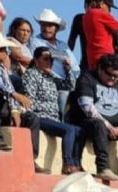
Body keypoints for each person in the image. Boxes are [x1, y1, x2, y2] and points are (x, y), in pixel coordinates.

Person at [70, 54, 118, 181]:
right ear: (100, 68)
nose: (112, 78)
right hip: (90, 121)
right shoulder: (87, 78)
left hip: (117, 124)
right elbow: (87, 107)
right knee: (98, 125)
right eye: (109, 74)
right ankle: (103, 168)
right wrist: (109, 127)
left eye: (116, 76)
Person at [0, 31, 47, 172]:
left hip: (2, 110)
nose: (7, 53)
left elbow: (9, 88)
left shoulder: (2, 70)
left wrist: (14, 110)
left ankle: (31, 158)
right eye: (4, 50)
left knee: (31, 118)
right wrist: (13, 94)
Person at [22, 46, 83, 174]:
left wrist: (67, 68)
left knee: (79, 131)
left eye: (51, 60)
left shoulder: (50, 77)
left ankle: (77, 164)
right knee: (69, 129)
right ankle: (68, 164)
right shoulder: (31, 74)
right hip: (40, 116)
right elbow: (29, 101)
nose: (49, 62)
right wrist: (48, 107)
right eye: (45, 59)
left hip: (53, 118)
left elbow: (70, 85)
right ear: (36, 60)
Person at [29, 8, 80, 115]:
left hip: (66, 81)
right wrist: (61, 58)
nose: (46, 28)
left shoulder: (63, 45)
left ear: (56, 29)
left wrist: (68, 68)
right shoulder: (35, 41)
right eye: (43, 25)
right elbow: (41, 58)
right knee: (63, 95)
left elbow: (75, 66)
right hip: (47, 80)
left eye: (49, 26)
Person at [82, 0, 118, 71]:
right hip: (106, 56)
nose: (110, 10)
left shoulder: (85, 16)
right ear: (101, 3)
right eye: (109, 6)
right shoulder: (101, 14)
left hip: (91, 57)